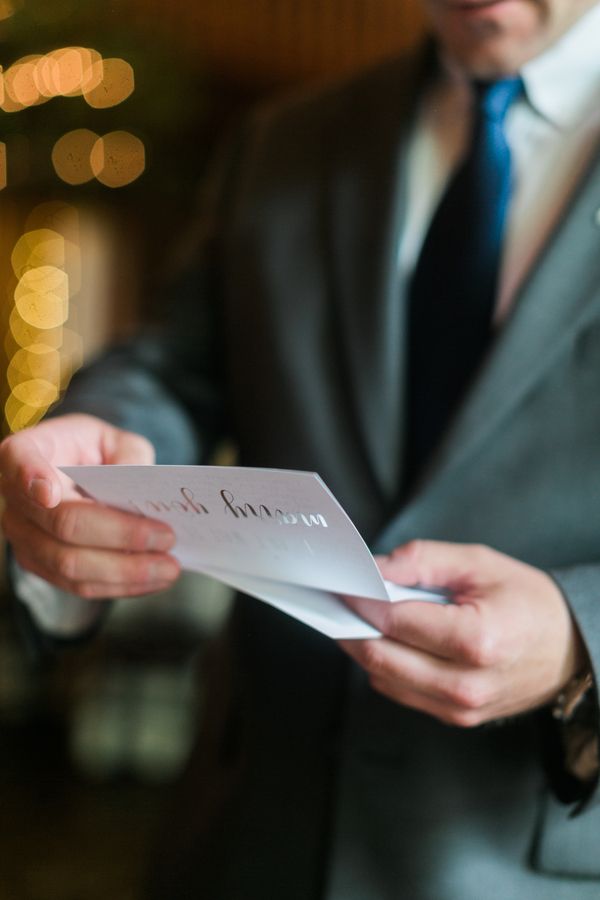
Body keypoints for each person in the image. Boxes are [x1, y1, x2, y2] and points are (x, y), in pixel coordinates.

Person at [2, 0, 600, 896]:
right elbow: (175, 367)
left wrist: (581, 642)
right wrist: (99, 445)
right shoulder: (283, 139)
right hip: (246, 842)